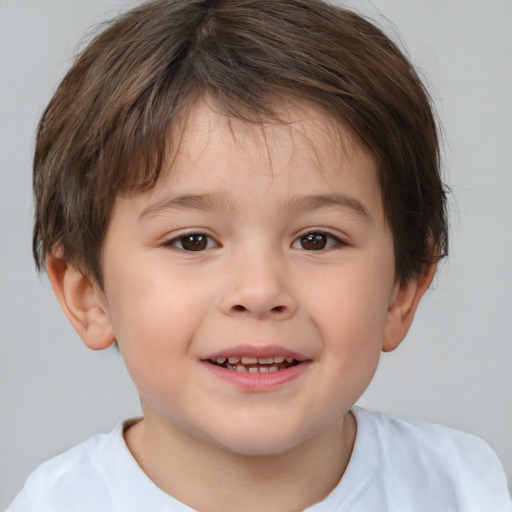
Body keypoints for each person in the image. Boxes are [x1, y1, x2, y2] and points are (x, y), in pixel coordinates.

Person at [7, 0, 511, 510]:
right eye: (192, 241)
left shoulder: (463, 489)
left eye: (316, 239)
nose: (259, 291)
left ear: (402, 290)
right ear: (89, 295)